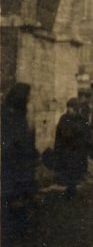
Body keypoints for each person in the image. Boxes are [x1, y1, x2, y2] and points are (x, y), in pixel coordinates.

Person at [1, 83, 38, 233]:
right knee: (15, 192)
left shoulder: (18, 114)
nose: (29, 99)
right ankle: (17, 226)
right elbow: (11, 140)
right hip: (14, 160)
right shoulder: (10, 116)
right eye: (28, 96)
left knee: (20, 192)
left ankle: (19, 223)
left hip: (21, 159)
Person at [54, 98, 93, 197]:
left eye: (74, 108)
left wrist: (88, 146)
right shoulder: (64, 118)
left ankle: (73, 188)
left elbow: (87, 133)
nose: (71, 110)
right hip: (67, 150)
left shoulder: (83, 119)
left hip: (79, 150)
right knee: (68, 170)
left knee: (77, 170)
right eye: (70, 108)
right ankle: (70, 188)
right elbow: (61, 134)